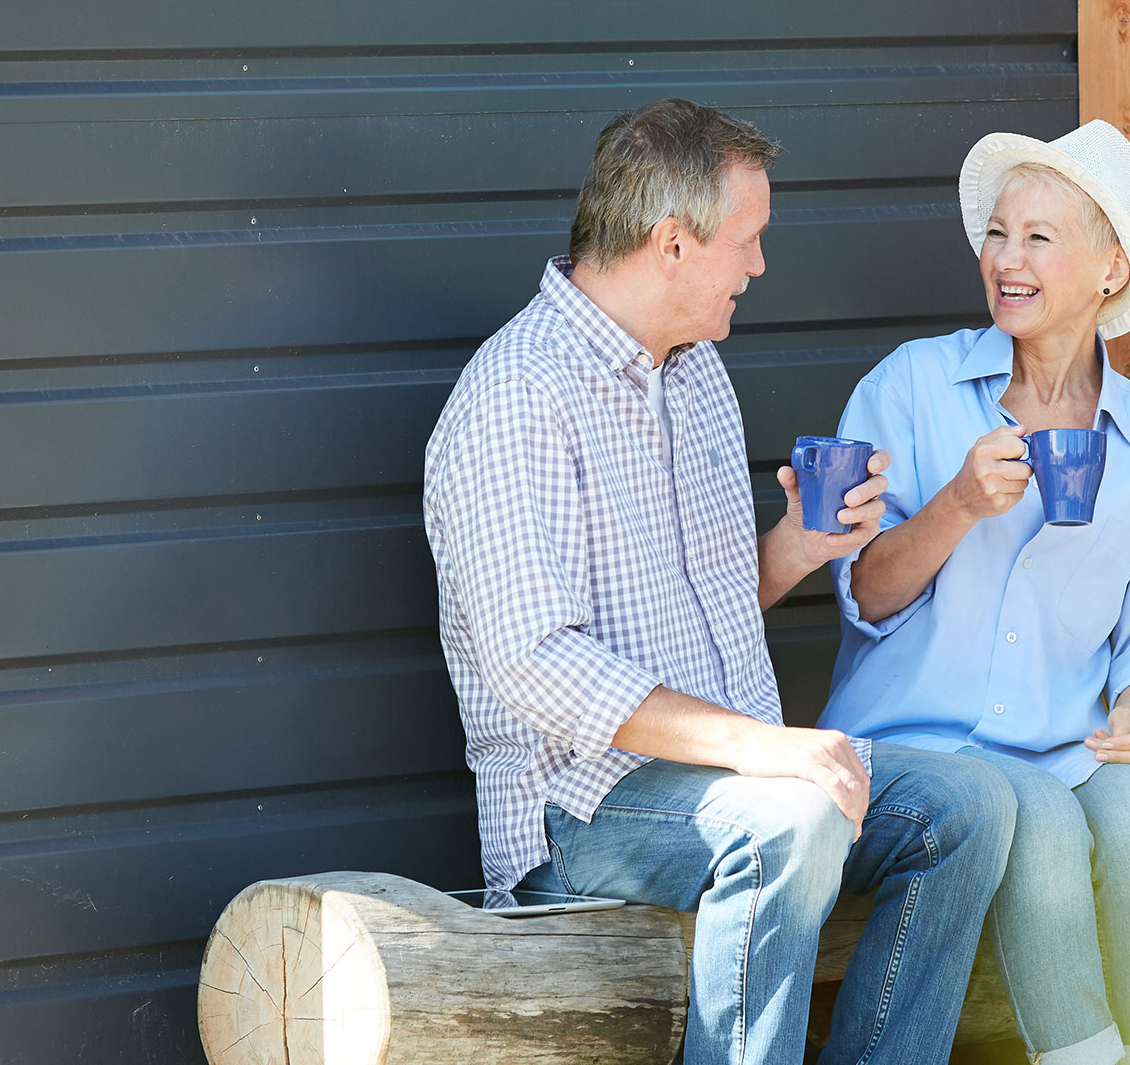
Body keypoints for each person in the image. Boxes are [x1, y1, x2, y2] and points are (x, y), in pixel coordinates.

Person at [422, 98, 1017, 1065]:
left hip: (726, 775)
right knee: (795, 814)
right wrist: (766, 751)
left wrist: (802, 544)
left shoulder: (694, 374)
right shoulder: (515, 397)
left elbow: (709, 592)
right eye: (746, 240)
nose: (758, 264)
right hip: (579, 812)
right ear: (671, 244)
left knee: (970, 807)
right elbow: (539, 663)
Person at [818, 120, 1130, 1065]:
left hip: (1067, 741)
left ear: (1112, 267)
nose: (1007, 259)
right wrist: (956, 505)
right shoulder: (912, 386)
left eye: (1040, 237)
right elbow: (863, 593)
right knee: (1033, 826)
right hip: (918, 745)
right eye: (998, 233)